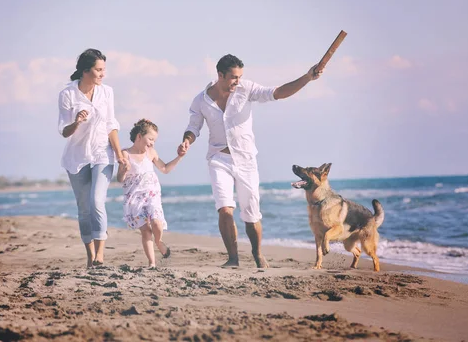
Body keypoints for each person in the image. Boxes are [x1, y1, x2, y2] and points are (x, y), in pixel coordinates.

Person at [177, 54, 322, 268]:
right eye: (233, 77)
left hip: (246, 160)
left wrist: (308, 77)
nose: (238, 81)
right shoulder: (201, 100)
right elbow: (193, 126)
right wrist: (186, 141)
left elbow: (278, 93)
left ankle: (257, 254)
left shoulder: (247, 89)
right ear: (220, 75)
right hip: (218, 158)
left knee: (251, 213)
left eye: (240, 76)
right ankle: (233, 258)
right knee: (225, 209)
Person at [58, 48, 126, 268]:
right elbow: (64, 131)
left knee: (97, 201)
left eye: (103, 69)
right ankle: (90, 256)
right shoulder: (67, 94)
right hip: (77, 157)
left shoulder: (107, 92)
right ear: (85, 71)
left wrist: (118, 153)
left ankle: (100, 255)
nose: (102, 74)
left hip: (102, 153)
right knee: (84, 209)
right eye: (98, 70)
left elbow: (110, 125)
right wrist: (77, 122)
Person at [117, 119, 185, 268]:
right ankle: (152, 263)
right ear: (139, 136)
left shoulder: (151, 153)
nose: (153, 143)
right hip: (134, 199)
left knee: (156, 222)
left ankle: (159, 241)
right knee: (146, 231)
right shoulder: (125, 153)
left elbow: (165, 169)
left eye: (154, 140)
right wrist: (123, 169)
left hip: (152, 195)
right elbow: (120, 179)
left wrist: (179, 157)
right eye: (151, 139)